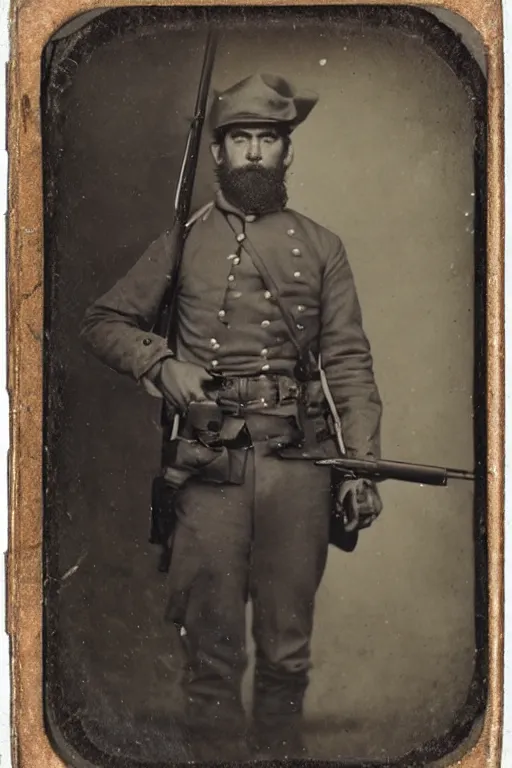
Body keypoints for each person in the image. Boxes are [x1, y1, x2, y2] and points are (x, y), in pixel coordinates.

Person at [80, 72, 383, 760]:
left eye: (267, 140)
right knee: (211, 657)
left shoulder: (323, 246)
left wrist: (360, 467)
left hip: (299, 469)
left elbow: (350, 364)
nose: (253, 154)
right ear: (217, 151)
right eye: (240, 139)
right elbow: (102, 322)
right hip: (209, 470)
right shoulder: (183, 242)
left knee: (286, 652)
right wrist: (161, 363)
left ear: (286, 152)